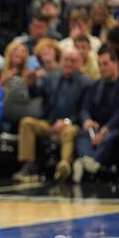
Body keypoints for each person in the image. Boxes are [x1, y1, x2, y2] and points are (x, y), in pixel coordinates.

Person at [12, 48, 91, 183]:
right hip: (48, 123)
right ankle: (29, 166)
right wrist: (31, 84)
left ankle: (64, 165)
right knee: (27, 123)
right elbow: (35, 93)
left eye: (73, 61)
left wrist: (67, 121)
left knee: (70, 131)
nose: (69, 64)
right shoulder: (51, 77)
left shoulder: (87, 83)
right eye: (66, 60)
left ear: (80, 63)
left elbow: (85, 110)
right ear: (60, 61)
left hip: (71, 125)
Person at [73, 46, 119, 184]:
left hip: (115, 126)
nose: (102, 68)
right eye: (99, 64)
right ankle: (90, 162)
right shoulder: (96, 85)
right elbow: (85, 108)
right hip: (95, 127)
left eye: (105, 64)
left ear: (115, 63)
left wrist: (105, 129)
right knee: (80, 133)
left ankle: (88, 161)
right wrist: (87, 120)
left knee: (110, 137)